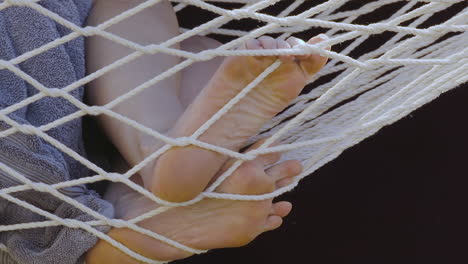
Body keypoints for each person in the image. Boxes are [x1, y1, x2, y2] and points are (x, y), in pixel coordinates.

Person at [0, 0, 329, 263]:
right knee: (168, 35)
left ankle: (129, 208)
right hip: (58, 49)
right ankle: (152, 154)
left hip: (30, 159)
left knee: (193, 51)